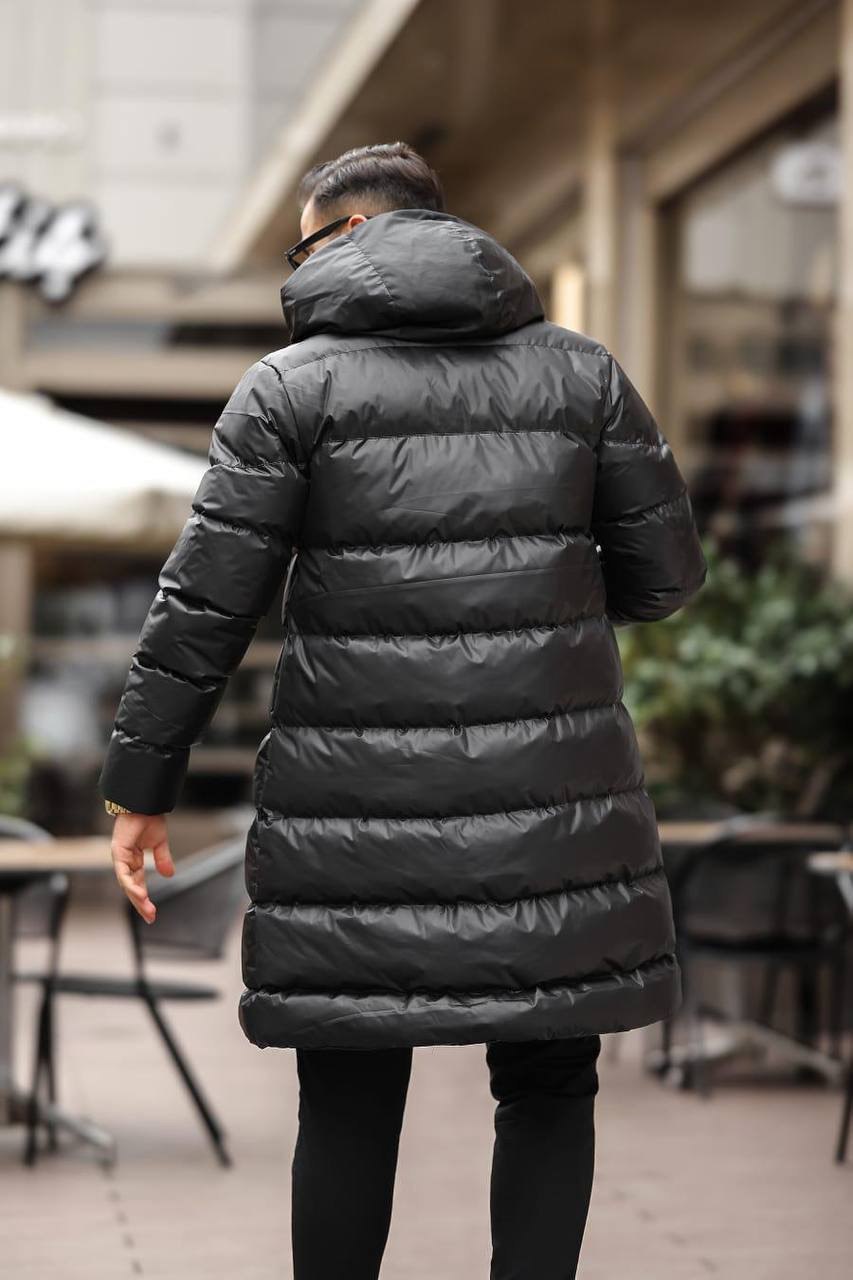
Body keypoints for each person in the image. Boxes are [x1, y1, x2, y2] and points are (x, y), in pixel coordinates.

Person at [99, 141, 707, 1280]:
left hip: (351, 810)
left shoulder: (291, 388)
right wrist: (544, 609)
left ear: (345, 234)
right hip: (551, 805)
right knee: (547, 1082)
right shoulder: (581, 375)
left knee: (347, 1082)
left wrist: (142, 786)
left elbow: (205, 607)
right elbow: (667, 578)